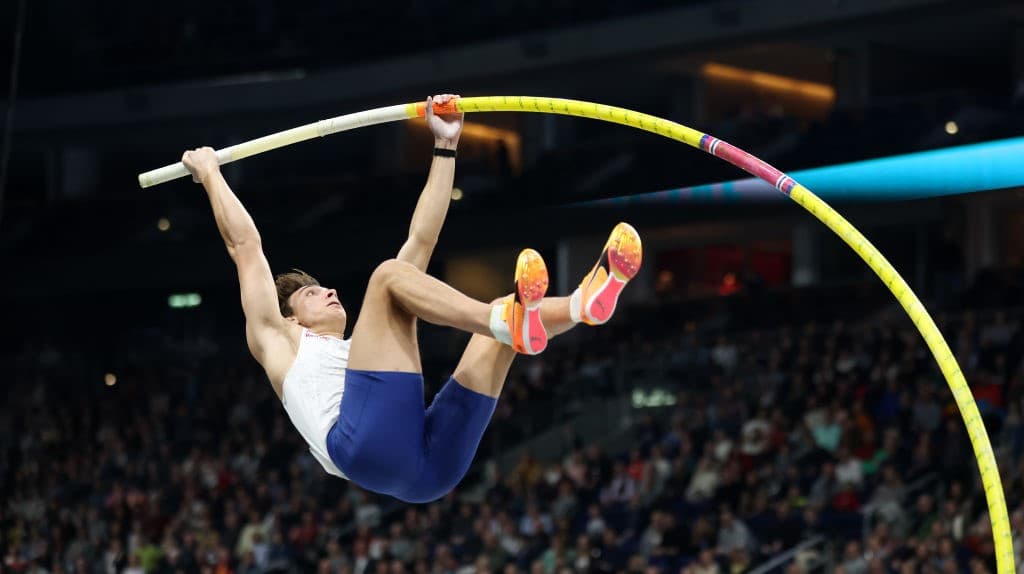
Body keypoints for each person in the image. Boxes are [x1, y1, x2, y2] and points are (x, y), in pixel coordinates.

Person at [181, 93, 643, 503]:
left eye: (323, 286)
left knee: (486, 317)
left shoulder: (366, 352)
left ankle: (583, 304)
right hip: (363, 447)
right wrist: (211, 175)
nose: (330, 290)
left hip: (427, 473)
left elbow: (421, 238)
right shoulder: (278, 342)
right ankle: (504, 320)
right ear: (291, 318)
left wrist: (445, 146)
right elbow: (246, 248)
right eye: (310, 293)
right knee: (389, 279)